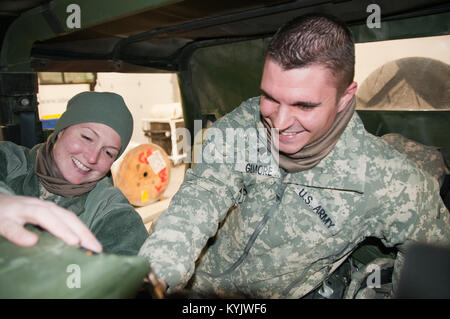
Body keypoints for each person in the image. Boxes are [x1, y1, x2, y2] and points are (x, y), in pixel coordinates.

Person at [138, 14, 450, 298]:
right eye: (270, 97)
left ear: (345, 97)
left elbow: (435, 257)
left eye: (304, 105)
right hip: (197, 288)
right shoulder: (246, 122)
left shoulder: (389, 181)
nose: (280, 121)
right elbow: (202, 195)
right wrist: (152, 278)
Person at [0, 91, 148, 256]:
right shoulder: (10, 160)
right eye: (87, 137)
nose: (92, 157)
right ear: (61, 131)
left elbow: (129, 267)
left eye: (108, 153)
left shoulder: (109, 209)